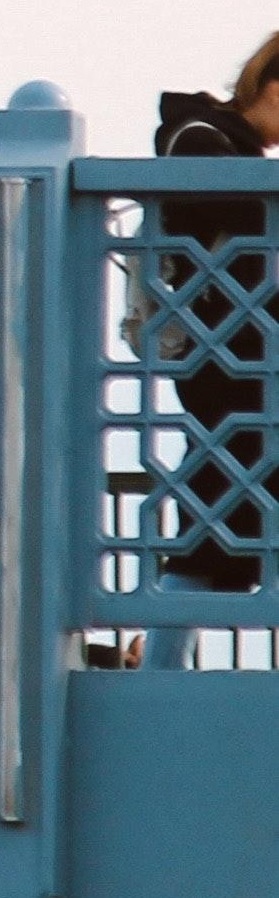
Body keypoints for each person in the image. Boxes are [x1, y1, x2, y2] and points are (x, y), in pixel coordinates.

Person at [141, 35, 279, 666]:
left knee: (218, 524)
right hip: (232, 364)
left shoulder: (228, 144)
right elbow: (216, 201)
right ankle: (161, 668)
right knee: (213, 522)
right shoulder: (199, 134)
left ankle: (161, 662)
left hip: (248, 362)